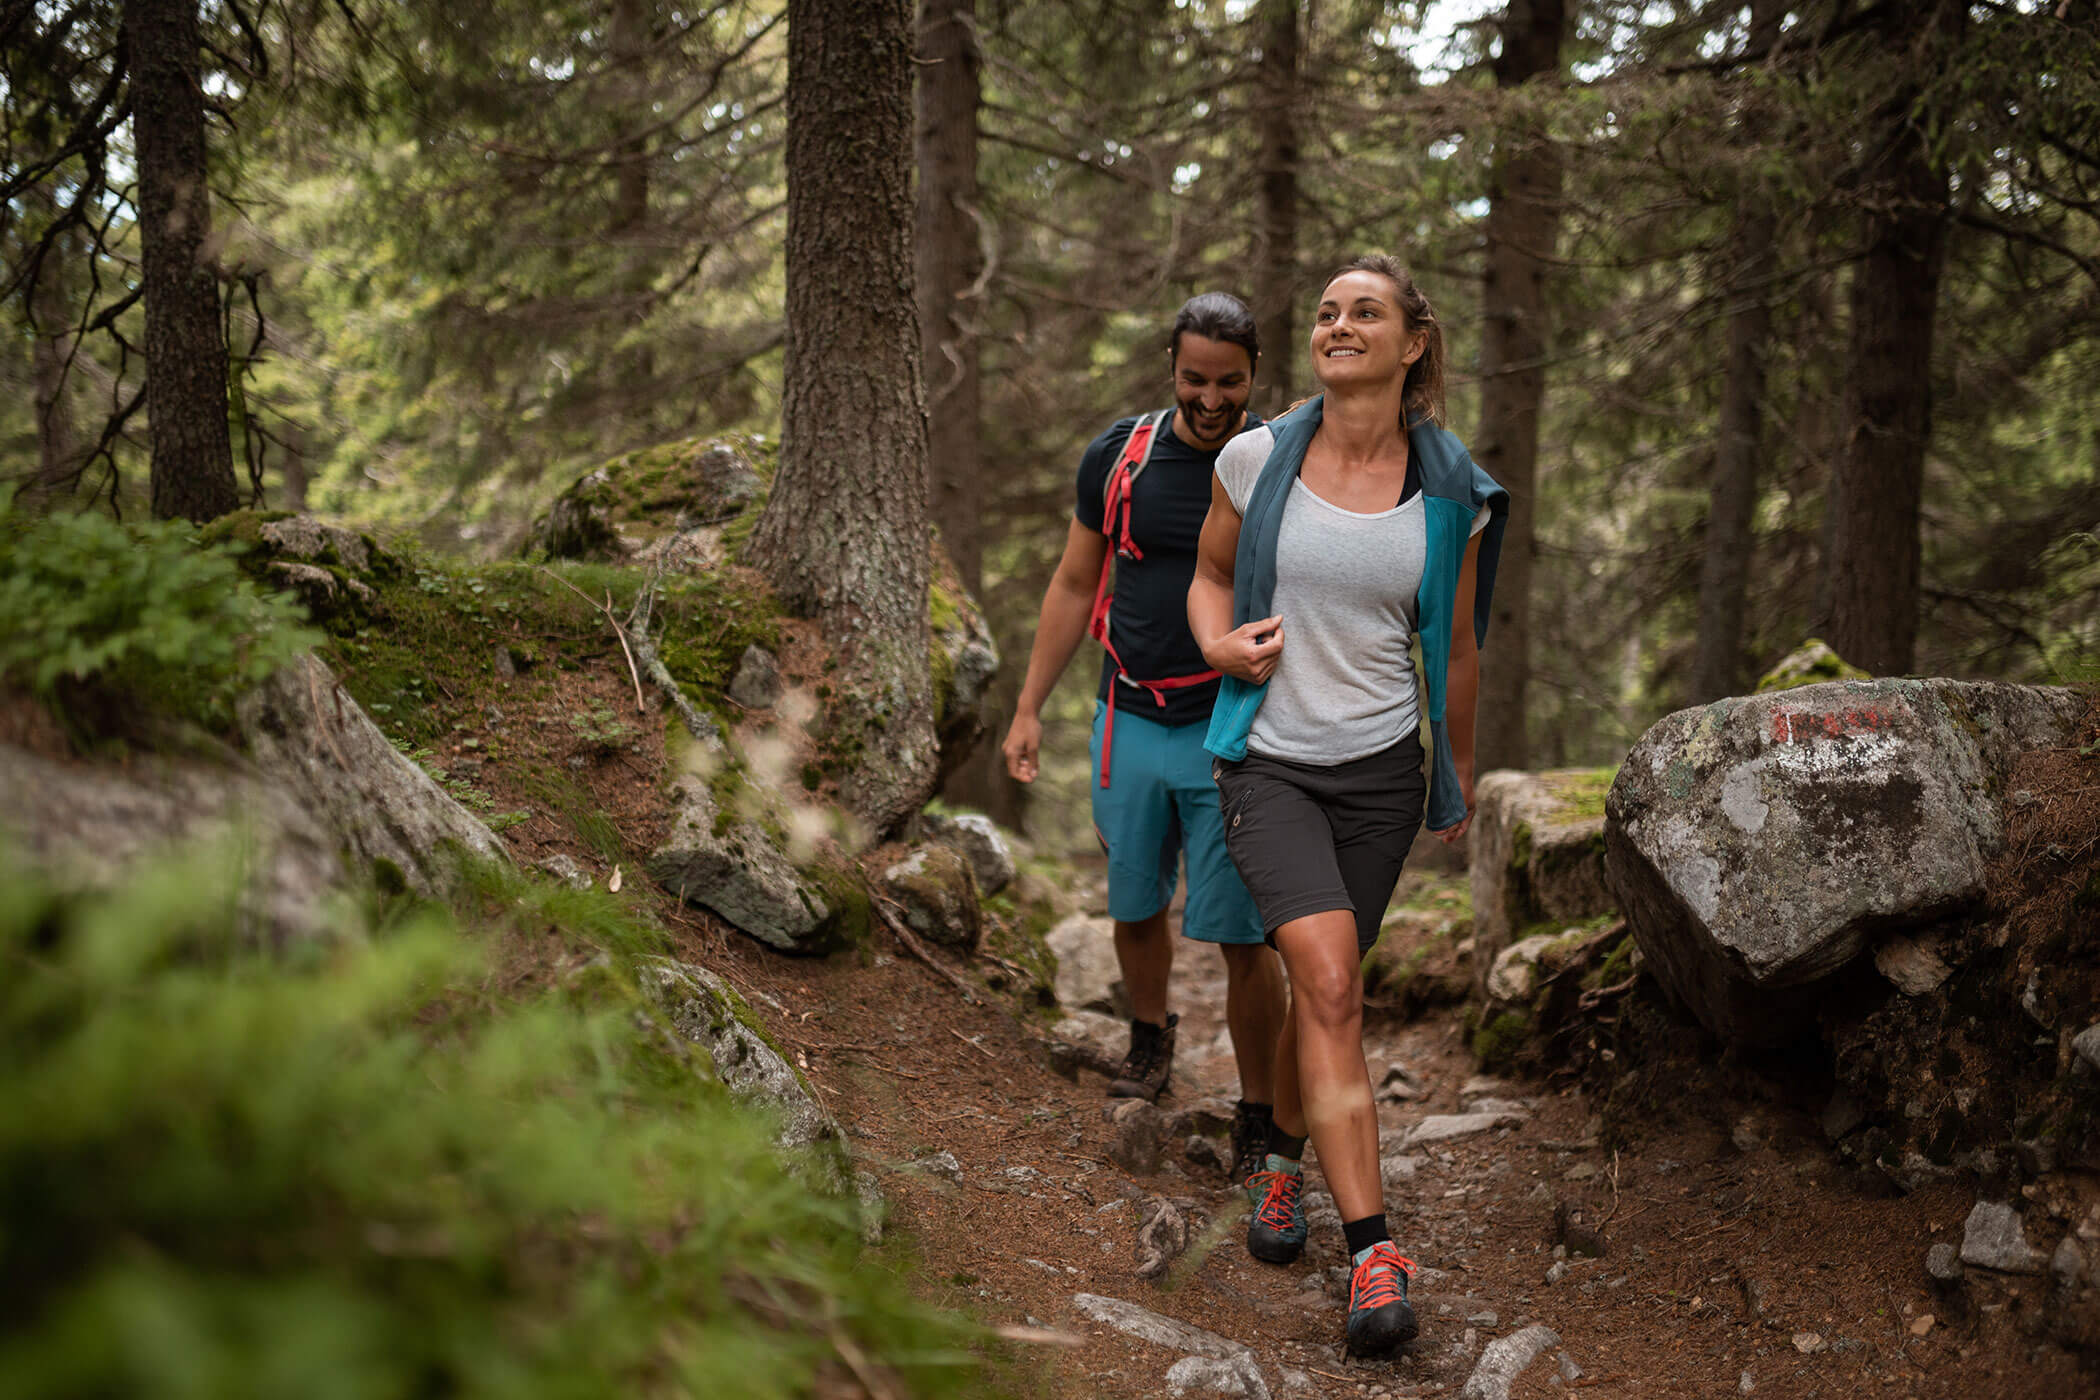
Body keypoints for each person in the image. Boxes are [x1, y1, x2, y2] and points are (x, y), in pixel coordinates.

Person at [1187, 256, 1509, 1358]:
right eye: (1326, 312)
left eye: (1364, 312)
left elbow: (1456, 649)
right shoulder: (1255, 456)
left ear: (1412, 343)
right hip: (1268, 762)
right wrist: (1217, 645)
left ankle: (1280, 1162)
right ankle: (1375, 1252)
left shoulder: (1454, 493)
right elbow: (1209, 576)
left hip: (1378, 777)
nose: (1338, 324)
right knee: (1328, 984)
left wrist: (1456, 772)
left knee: (1322, 992)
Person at [1002, 292, 1289, 1184]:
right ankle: (1148, 1041)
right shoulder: (1118, 457)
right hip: (1126, 715)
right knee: (1132, 906)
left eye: (1229, 382)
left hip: (1231, 727)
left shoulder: (1278, 460)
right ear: (1172, 365)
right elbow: (1072, 583)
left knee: (1244, 935)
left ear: (1254, 375)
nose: (1210, 399)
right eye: (1194, 378)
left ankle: (1259, 1112)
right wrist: (1028, 707)